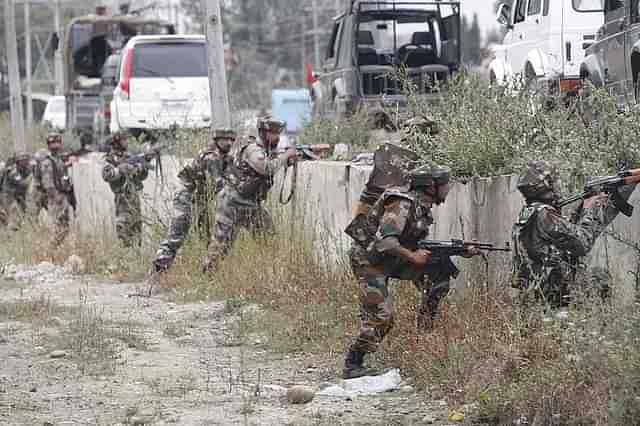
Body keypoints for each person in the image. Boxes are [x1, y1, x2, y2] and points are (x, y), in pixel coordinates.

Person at [342, 164, 479, 379]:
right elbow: (387, 241)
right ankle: (353, 363)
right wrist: (414, 257)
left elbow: (411, 241)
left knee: (439, 273)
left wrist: (459, 249)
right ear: (431, 187)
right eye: (444, 184)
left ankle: (424, 332)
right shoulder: (402, 204)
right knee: (382, 316)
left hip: (390, 258)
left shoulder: (421, 205)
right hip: (369, 261)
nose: (447, 189)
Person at [512, 160, 633, 312]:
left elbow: (562, 235)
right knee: (600, 278)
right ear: (545, 185)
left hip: (535, 292)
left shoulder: (530, 212)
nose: (557, 184)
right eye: (554, 181)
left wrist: (582, 207)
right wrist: (590, 210)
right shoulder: (544, 215)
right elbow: (582, 243)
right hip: (552, 295)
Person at [201, 117, 297, 272]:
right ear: (263, 133)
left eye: (278, 133)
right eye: (273, 133)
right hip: (232, 201)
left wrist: (288, 158)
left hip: (250, 203)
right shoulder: (253, 149)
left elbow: (272, 162)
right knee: (220, 245)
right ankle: (207, 277)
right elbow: (266, 168)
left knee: (270, 239)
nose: (277, 136)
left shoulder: (266, 150)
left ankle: (274, 275)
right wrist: (285, 156)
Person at [151, 128, 237, 275]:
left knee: (209, 237)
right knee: (176, 236)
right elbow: (219, 184)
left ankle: (209, 273)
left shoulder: (226, 158)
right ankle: (157, 273)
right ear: (217, 140)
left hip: (201, 200)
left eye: (231, 140)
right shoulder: (211, 157)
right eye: (225, 140)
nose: (228, 143)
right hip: (186, 197)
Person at [101, 132, 151, 247]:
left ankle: (135, 261)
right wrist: (120, 170)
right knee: (123, 237)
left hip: (135, 200)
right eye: (124, 140)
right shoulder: (110, 158)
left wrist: (143, 165)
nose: (127, 142)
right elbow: (106, 175)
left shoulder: (129, 156)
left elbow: (141, 177)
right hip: (122, 201)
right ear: (117, 142)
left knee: (137, 238)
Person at [31, 132, 73, 247]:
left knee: (64, 227)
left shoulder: (57, 159)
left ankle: (53, 248)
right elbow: (47, 182)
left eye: (57, 142)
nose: (56, 145)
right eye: (53, 143)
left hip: (61, 196)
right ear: (49, 144)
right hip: (54, 197)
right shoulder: (47, 162)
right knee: (58, 226)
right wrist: (55, 196)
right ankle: (49, 249)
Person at [0, 152, 33, 231]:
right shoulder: (13, 171)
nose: (25, 162)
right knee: (12, 214)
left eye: (26, 160)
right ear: (18, 162)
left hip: (18, 195)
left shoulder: (26, 169)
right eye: (23, 161)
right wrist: (32, 175)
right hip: (8, 195)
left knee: (23, 212)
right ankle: (10, 231)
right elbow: (23, 184)